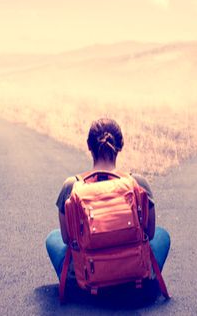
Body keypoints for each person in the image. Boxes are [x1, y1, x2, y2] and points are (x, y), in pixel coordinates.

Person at [45, 118, 170, 285]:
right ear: (121, 146)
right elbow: (150, 232)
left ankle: (77, 283)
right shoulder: (138, 183)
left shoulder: (71, 186)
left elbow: (68, 239)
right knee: (162, 235)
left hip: (88, 277)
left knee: (53, 237)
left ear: (89, 146)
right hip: (134, 276)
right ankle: (140, 278)